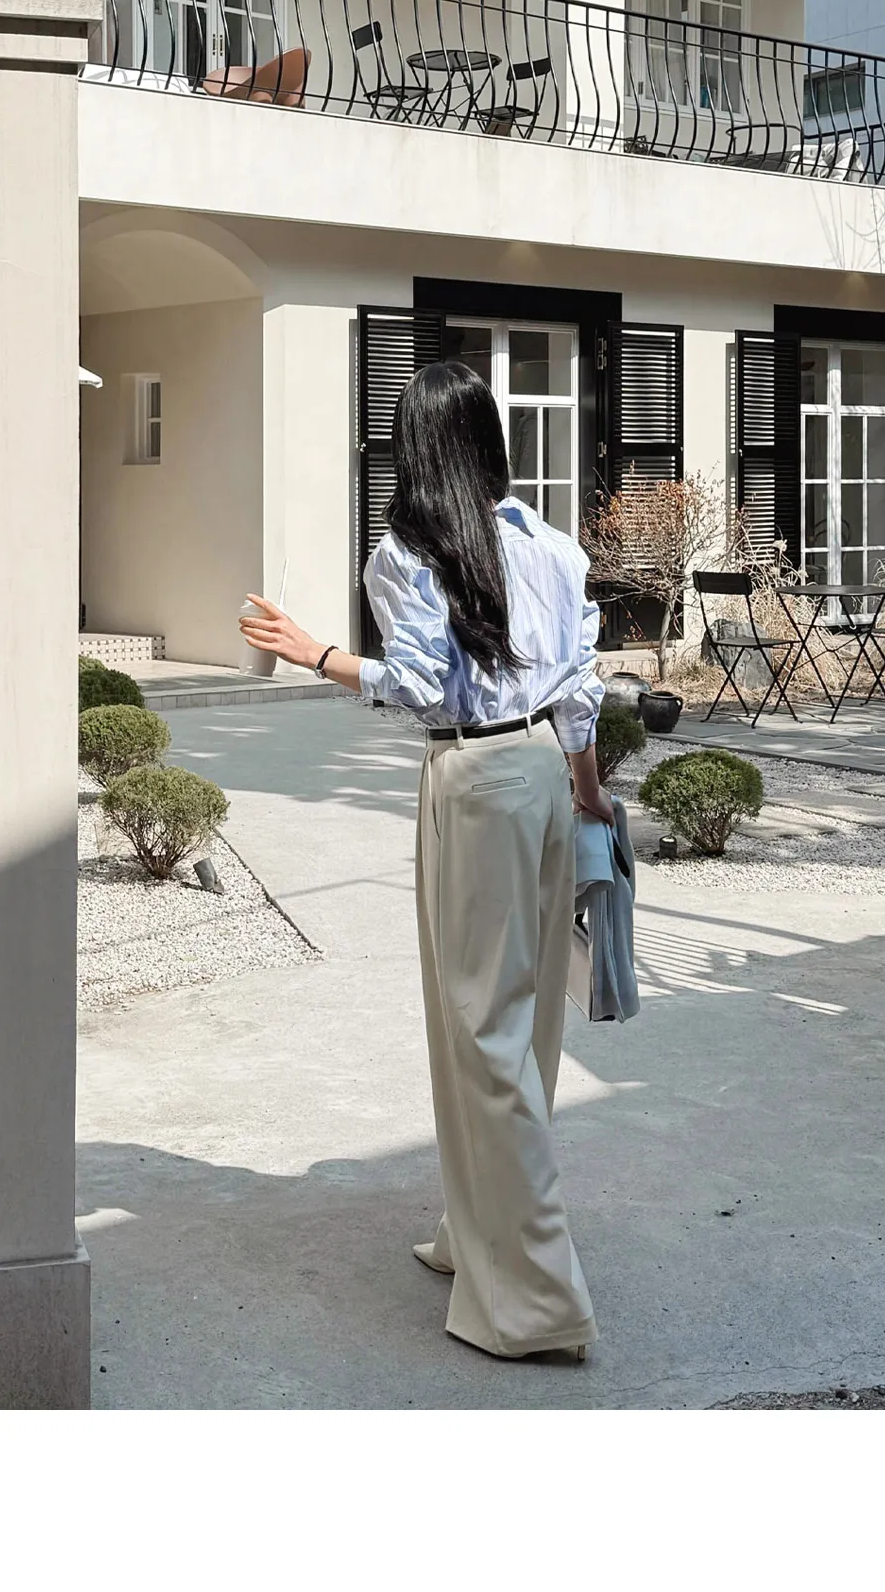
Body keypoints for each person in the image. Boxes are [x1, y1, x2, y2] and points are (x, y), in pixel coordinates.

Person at [239, 361, 611, 1362]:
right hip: (543, 771)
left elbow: (418, 685)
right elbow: (579, 686)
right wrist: (587, 792)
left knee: (480, 1029)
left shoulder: (407, 553)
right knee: (523, 1027)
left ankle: (534, 1299)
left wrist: (315, 652)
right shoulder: (545, 542)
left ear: (413, 450)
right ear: (487, 440)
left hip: (475, 781)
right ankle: (478, 1231)